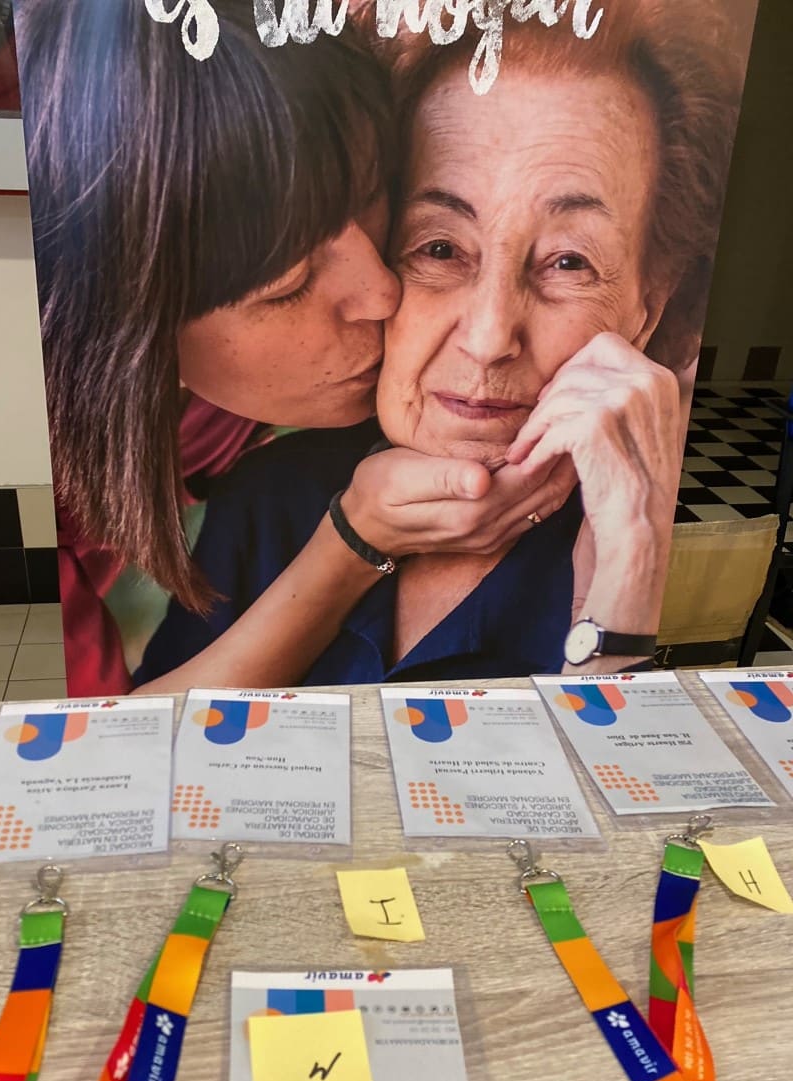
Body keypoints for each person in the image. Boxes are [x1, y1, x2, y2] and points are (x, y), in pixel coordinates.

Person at [135, 0, 744, 687]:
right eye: (440, 248)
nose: (487, 340)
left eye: (569, 262)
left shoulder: (689, 527)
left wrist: (629, 576)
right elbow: (138, 742)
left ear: (649, 304)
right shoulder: (269, 498)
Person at [15, 0, 573, 695]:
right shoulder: (7, 478)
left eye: (370, 197)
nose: (381, 293)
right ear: (127, 327)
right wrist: (354, 543)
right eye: (289, 286)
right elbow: (95, 737)